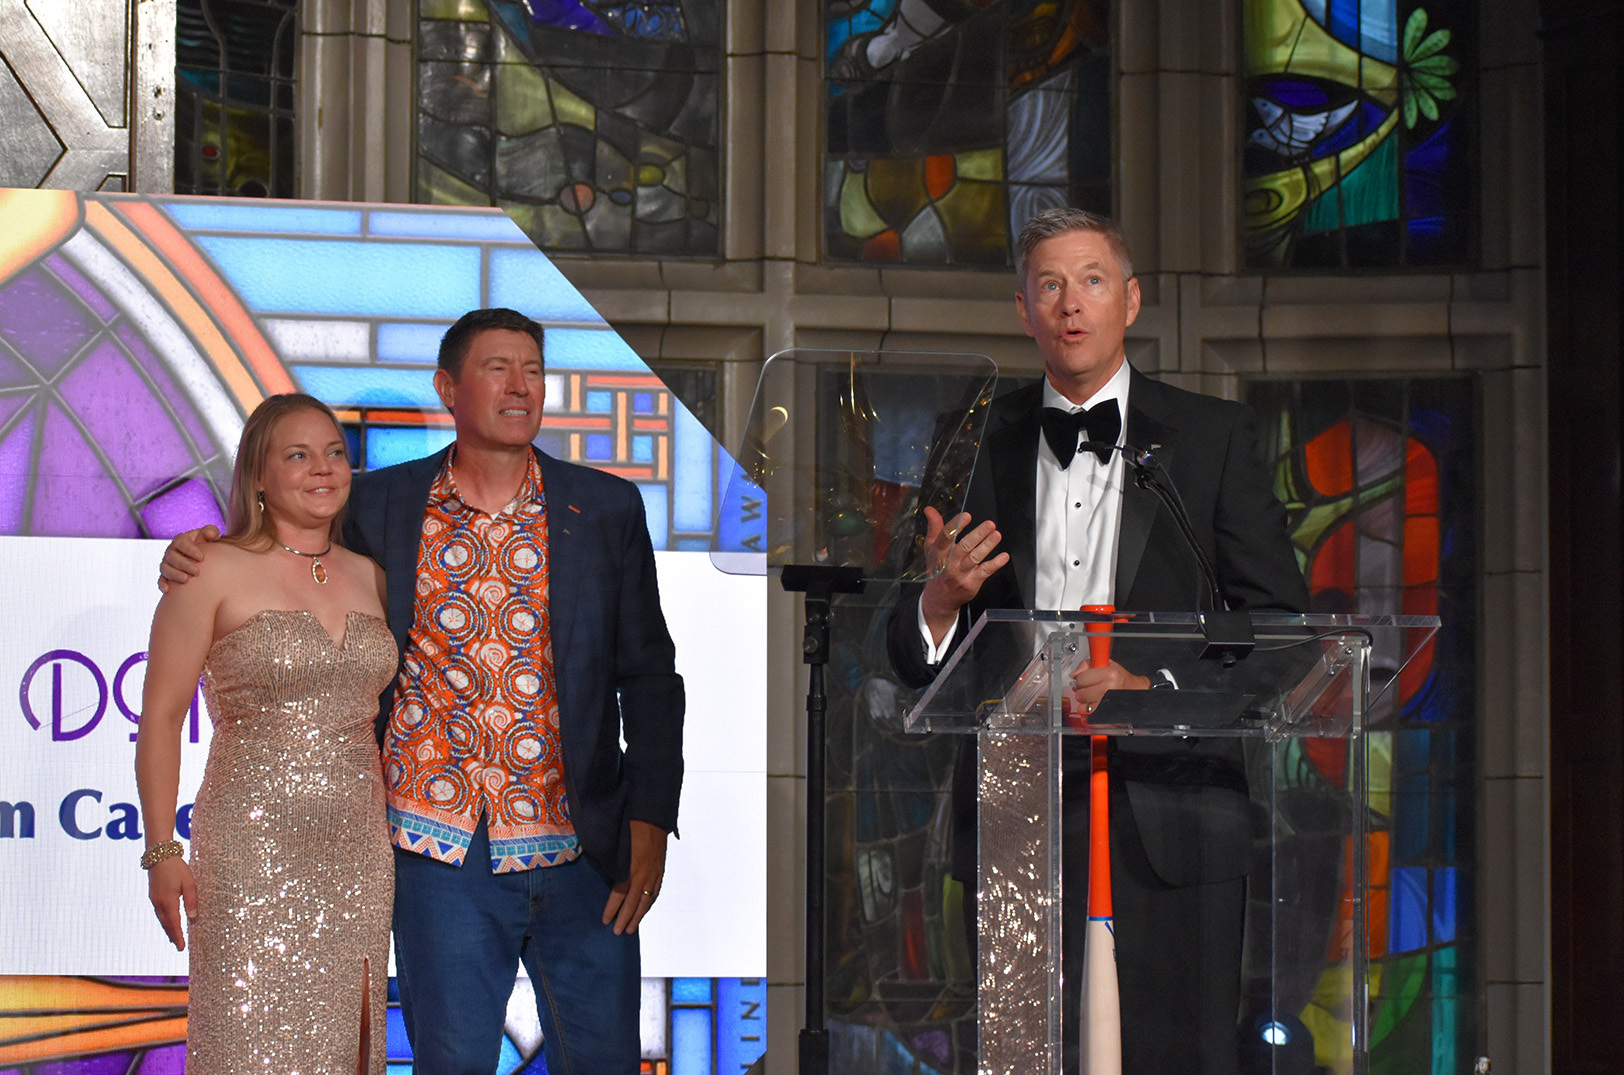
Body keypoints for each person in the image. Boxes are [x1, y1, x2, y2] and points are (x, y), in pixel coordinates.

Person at [162, 308, 685, 1075]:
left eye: (533, 370)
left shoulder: (604, 508)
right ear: (448, 387)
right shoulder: (380, 504)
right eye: (497, 368)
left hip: (584, 846)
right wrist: (195, 546)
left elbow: (650, 675)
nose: (519, 386)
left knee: (604, 1060)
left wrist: (649, 816)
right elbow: (282, 541)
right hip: (439, 850)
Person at [886, 208, 1309, 1075]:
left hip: (1177, 803)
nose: (1070, 304)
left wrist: (1152, 688)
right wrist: (937, 599)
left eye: (1091, 281)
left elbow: (1283, 634)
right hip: (1015, 802)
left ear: (1132, 300)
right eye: (1049, 285)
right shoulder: (971, 442)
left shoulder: (1211, 438)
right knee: (1019, 1059)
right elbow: (905, 646)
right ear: (1023, 309)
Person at [137, 393, 395, 1074]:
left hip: (360, 857)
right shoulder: (207, 568)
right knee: (244, 1043)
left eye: (335, 453)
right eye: (298, 455)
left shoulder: (371, 575)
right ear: (258, 474)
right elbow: (161, 716)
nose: (323, 469)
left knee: (345, 1047)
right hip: (250, 853)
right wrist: (162, 849)